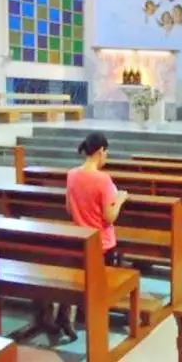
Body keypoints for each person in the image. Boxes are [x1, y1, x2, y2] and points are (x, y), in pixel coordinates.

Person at [50, 132, 129, 339]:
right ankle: (94, 319)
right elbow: (109, 216)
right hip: (101, 242)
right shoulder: (103, 180)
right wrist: (120, 199)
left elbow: (68, 208)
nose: (107, 157)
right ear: (101, 151)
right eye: (106, 153)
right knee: (97, 283)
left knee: (78, 277)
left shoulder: (72, 174)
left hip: (79, 238)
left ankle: (66, 315)